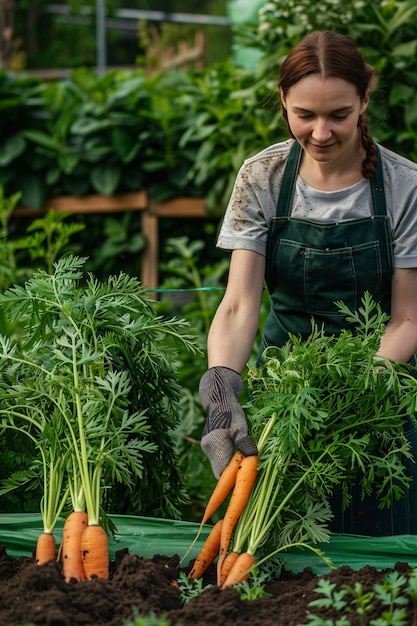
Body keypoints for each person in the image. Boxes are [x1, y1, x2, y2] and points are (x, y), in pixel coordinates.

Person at [198, 30, 417, 536]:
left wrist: (353, 393)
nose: (321, 132)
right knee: (274, 542)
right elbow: (237, 304)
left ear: (364, 100)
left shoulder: (405, 187)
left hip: (379, 395)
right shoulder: (263, 178)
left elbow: (408, 317)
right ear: (283, 102)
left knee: (383, 555)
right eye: (305, 115)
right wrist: (222, 384)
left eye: (338, 114)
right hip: (285, 391)